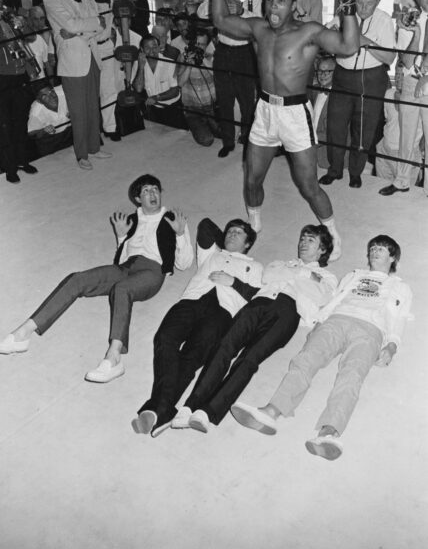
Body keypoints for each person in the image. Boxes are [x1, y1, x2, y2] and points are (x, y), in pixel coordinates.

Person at [210, 0, 361, 259]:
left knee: (307, 185)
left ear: (293, 4)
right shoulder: (257, 28)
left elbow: (348, 46)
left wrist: (347, 4)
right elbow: (221, 19)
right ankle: (254, 222)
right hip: (264, 111)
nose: (273, 6)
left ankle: (332, 232)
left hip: (294, 114)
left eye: (280, 0)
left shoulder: (309, 32)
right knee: (251, 177)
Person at [231, 235, 412, 461]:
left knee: (351, 376)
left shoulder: (400, 287)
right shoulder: (353, 275)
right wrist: (319, 321)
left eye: (382, 249)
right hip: (336, 320)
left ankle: (329, 433)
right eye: (373, 248)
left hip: (371, 330)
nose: (375, 252)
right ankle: (270, 412)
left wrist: (392, 347)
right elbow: (335, 299)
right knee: (305, 360)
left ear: (392, 257)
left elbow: (400, 318)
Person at [0, 174, 194, 384]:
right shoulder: (132, 220)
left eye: (155, 189)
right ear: (138, 199)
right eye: (146, 191)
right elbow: (121, 258)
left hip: (152, 272)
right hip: (126, 267)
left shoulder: (173, 220)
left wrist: (181, 234)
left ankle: (114, 358)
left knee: (122, 289)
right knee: (77, 279)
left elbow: (184, 264)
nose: (152, 194)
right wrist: (121, 237)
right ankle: (24, 333)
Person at [173, 224, 337, 434]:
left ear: (322, 249)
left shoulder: (328, 277)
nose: (303, 243)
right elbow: (268, 276)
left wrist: (297, 273)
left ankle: (208, 412)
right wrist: (304, 275)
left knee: (249, 359)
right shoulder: (280, 263)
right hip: (258, 304)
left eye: (310, 240)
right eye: (302, 239)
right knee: (223, 347)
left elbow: (322, 296)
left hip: (287, 313)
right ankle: (189, 407)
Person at [131, 216, 262, 437]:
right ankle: (164, 409)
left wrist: (233, 282)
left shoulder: (255, 266)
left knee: (191, 358)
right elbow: (205, 226)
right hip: (191, 301)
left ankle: (156, 409)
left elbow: (257, 296)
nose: (231, 234)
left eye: (238, 233)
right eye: (229, 231)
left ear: (248, 244)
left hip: (222, 312)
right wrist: (225, 243)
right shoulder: (211, 254)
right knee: (164, 339)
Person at [319, 0, 395, 189]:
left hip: (371, 78)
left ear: (378, 2)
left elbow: (389, 57)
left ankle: (355, 173)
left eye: (368, 4)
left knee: (363, 130)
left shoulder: (384, 20)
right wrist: (332, 33)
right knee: (335, 125)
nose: (362, 8)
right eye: (359, 2)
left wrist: (363, 40)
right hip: (343, 75)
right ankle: (334, 170)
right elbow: (324, 38)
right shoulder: (346, 13)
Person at [43, 0, 111, 170]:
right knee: (79, 110)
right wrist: (86, 26)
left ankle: (94, 147)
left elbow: (96, 23)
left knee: (93, 105)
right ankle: (82, 154)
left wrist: (82, 28)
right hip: (72, 61)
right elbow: (72, 24)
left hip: (91, 55)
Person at [198, 0, 259, 156]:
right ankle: (228, 141)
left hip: (245, 51)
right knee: (224, 99)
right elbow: (200, 13)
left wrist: (242, 12)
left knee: (247, 101)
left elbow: (260, 22)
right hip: (223, 50)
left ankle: (249, 140)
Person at [74, 0, 136, 142]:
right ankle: (93, 130)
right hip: (87, 44)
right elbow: (79, 8)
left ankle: (110, 127)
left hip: (106, 43)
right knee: (90, 91)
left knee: (109, 88)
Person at [379, 0, 428, 197]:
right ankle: (401, 181)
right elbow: (406, 60)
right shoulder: (410, 18)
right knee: (405, 136)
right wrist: (416, 36)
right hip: (410, 83)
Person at [0, 8, 38, 183]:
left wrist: (22, 25)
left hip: (20, 74)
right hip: (3, 78)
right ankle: (9, 167)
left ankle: (22, 160)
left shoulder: (9, 17)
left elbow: (31, 37)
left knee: (21, 119)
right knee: (5, 125)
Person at [134, 33, 188, 130]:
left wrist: (156, 97)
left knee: (179, 138)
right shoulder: (139, 63)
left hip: (172, 108)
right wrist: (141, 67)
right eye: (147, 48)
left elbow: (175, 91)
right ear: (142, 50)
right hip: (153, 109)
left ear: (159, 48)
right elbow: (138, 88)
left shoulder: (170, 63)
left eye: (154, 47)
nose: (151, 51)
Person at [177, 27, 220, 146]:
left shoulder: (212, 58)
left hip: (212, 107)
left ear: (207, 45)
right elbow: (179, 83)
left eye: (202, 44)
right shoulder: (183, 57)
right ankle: (197, 126)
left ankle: (206, 126)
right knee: (207, 140)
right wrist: (189, 66)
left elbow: (219, 77)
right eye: (196, 43)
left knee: (225, 136)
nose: (198, 47)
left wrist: (203, 60)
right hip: (192, 109)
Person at [311, 55, 337, 169]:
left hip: (327, 157)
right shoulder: (313, 90)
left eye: (327, 71)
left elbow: (334, 134)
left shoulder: (341, 97)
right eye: (320, 71)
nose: (322, 75)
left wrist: (309, 142)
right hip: (310, 153)